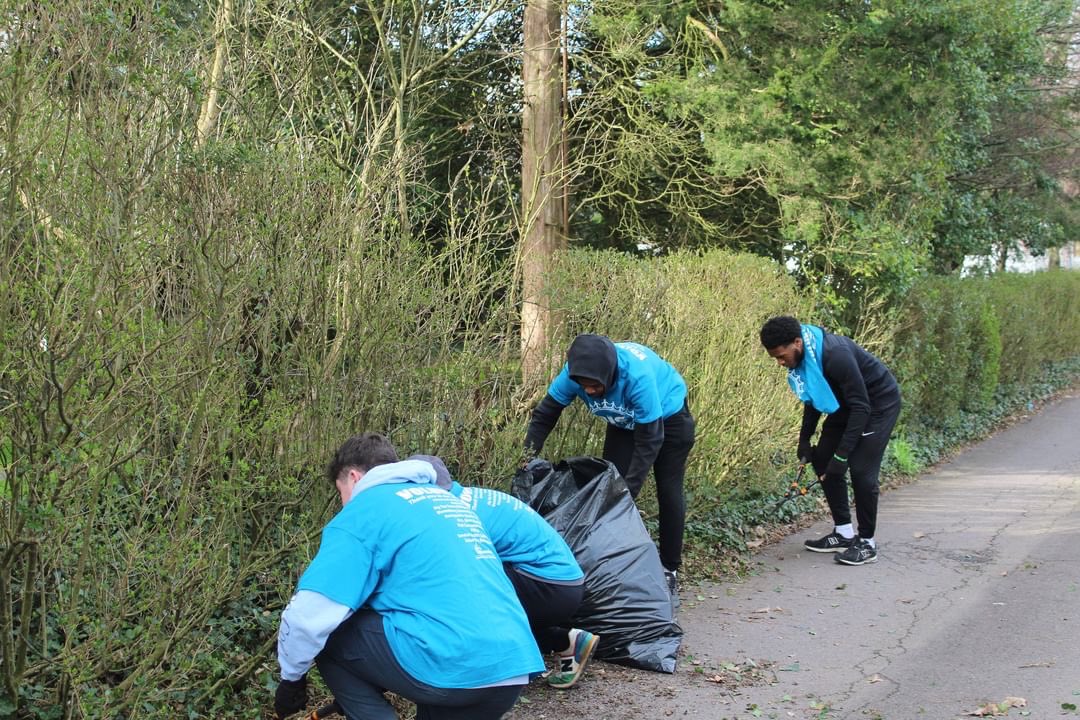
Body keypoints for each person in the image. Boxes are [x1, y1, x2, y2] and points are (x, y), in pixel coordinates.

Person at [273, 433, 543, 720]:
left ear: (353, 477)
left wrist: (292, 679)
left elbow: (307, 618)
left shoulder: (364, 510)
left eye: (340, 493)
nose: (343, 505)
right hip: (512, 666)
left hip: (451, 668)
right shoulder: (446, 501)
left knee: (332, 634)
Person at [524, 333, 696, 599]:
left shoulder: (636, 376)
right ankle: (611, 565)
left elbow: (650, 440)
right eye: (585, 387)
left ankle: (669, 569)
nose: (590, 392)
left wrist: (628, 492)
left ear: (610, 373)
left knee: (666, 489)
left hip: (669, 419)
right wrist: (524, 459)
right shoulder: (572, 374)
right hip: (622, 424)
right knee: (608, 485)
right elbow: (545, 415)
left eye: (595, 386)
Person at [408, 454, 599, 690]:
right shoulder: (469, 496)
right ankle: (565, 641)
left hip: (549, 585)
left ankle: (487, 674)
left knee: (461, 591)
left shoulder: (452, 512)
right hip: (559, 583)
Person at [759, 316, 902, 566]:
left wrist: (843, 454)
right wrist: (804, 440)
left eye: (782, 356)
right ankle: (844, 533)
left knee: (861, 471)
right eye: (775, 358)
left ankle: (867, 543)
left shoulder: (836, 356)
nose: (781, 363)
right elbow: (814, 397)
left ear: (797, 342)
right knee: (822, 457)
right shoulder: (807, 357)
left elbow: (862, 407)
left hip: (877, 404)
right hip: (846, 405)